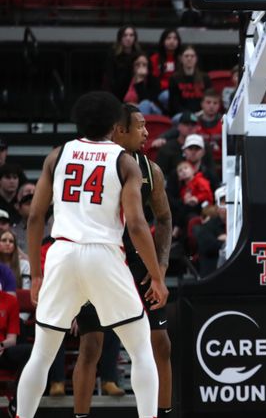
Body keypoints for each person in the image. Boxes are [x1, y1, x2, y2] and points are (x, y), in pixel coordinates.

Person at [16, 92, 167, 418]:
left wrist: (38, 273)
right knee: (141, 350)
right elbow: (139, 225)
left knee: (41, 354)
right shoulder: (123, 160)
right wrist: (156, 275)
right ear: (115, 124)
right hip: (103, 255)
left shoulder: (57, 155)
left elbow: (34, 218)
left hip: (62, 251)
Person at [72, 104, 173, 418]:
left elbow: (165, 219)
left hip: (137, 261)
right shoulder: (90, 162)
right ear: (119, 129)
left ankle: (163, 411)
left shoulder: (150, 169)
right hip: (97, 257)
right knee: (91, 346)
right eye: (141, 126)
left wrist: (162, 265)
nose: (147, 132)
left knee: (161, 344)